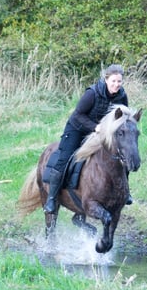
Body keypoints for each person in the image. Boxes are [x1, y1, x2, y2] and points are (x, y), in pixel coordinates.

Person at [43, 64, 130, 213]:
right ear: (106, 79)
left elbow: (123, 119)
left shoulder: (122, 96)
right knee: (64, 158)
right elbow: (77, 115)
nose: (116, 85)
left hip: (101, 133)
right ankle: (52, 198)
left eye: (119, 82)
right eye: (113, 81)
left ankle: (124, 192)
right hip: (77, 129)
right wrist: (95, 127)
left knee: (123, 154)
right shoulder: (92, 93)